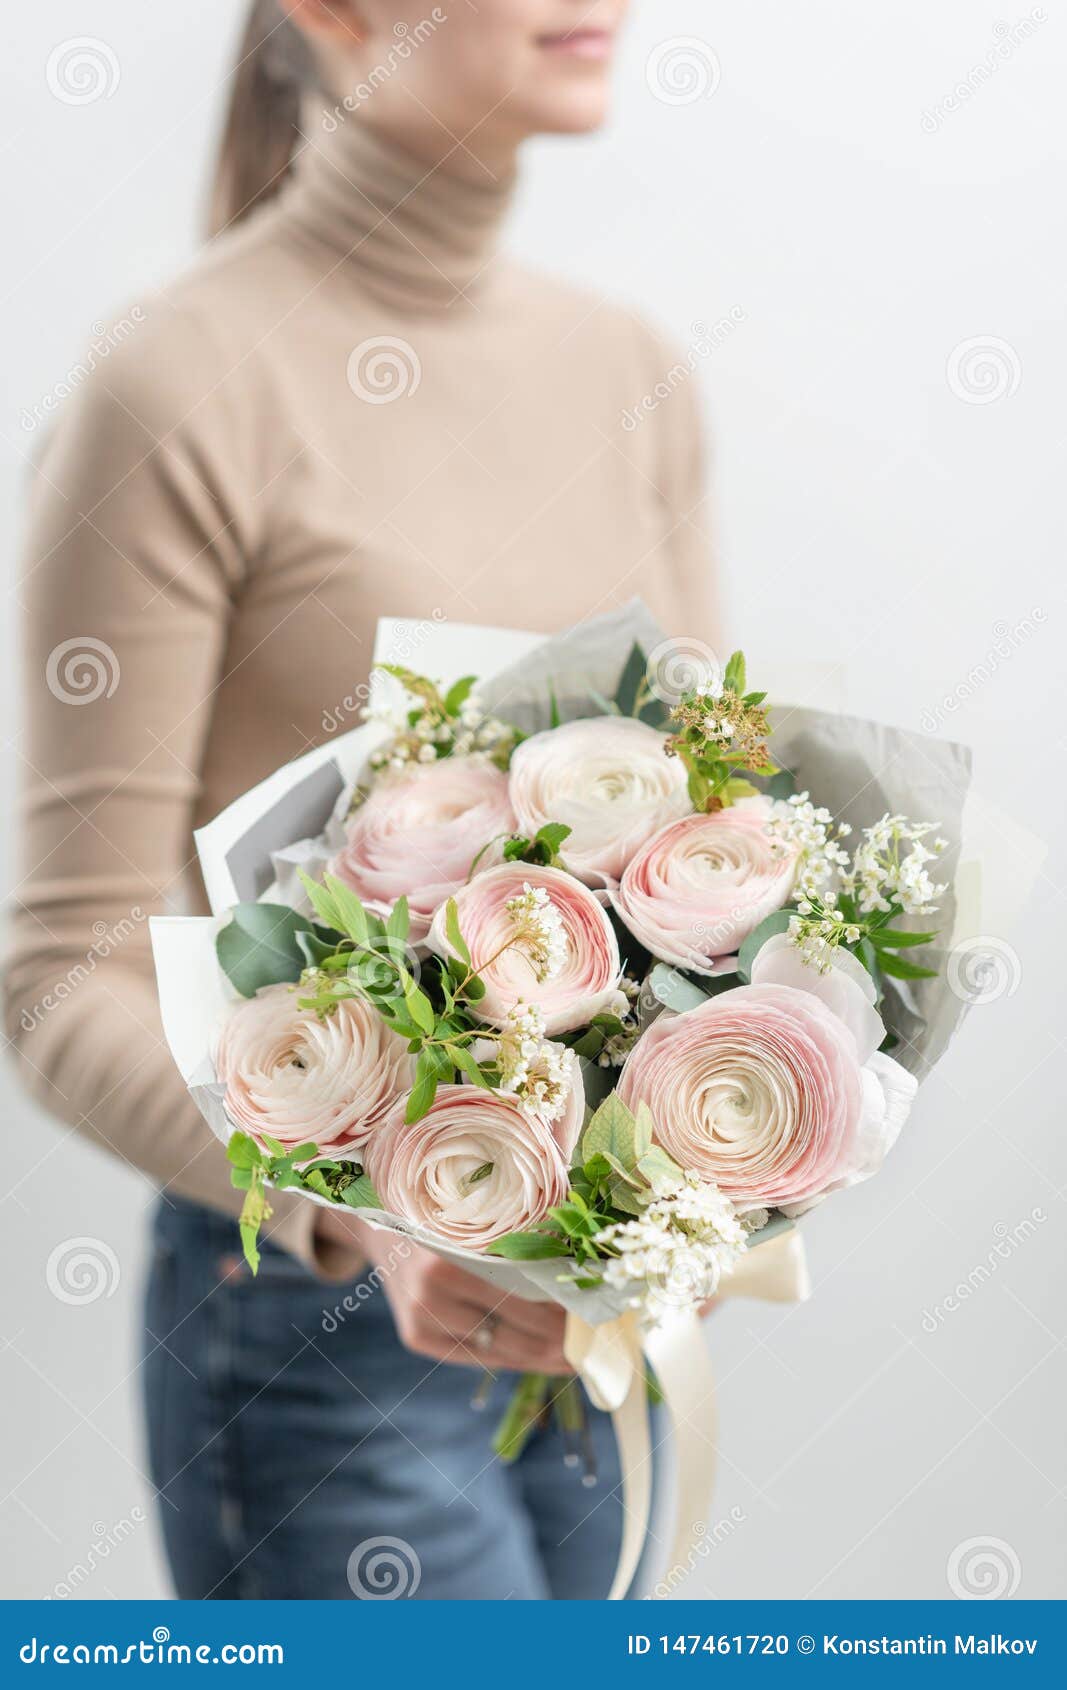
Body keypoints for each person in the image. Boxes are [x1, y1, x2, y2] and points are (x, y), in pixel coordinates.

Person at [5, 0, 718, 1599]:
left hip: (594, 1314)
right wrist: (359, 1208)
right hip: (316, 1316)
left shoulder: (635, 374)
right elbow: (63, 976)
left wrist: (719, 1160)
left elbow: (726, 839)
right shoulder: (174, 383)